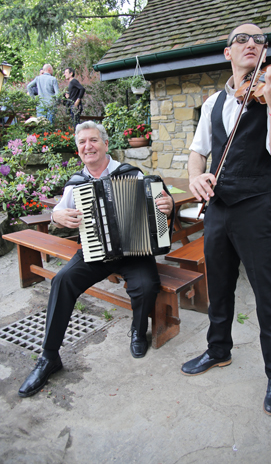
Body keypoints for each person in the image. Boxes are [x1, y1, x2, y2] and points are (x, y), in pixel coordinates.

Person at [181, 22, 271, 417]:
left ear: (264, 52)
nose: (251, 43)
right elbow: (198, 152)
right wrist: (196, 175)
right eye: (242, 39)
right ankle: (219, 350)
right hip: (218, 208)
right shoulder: (214, 102)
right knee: (219, 285)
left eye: (259, 40)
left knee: (268, 293)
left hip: (256, 207)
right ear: (227, 53)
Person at [18, 121, 174, 398]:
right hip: (94, 253)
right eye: (82, 143)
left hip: (133, 252)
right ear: (78, 150)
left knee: (146, 285)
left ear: (105, 144)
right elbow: (58, 214)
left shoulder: (132, 174)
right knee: (62, 281)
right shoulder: (76, 184)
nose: (87, 146)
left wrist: (168, 204)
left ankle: (139, 332)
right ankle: (49, 356)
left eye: (93, 140)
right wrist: (56, 216)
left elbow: (161, 202)